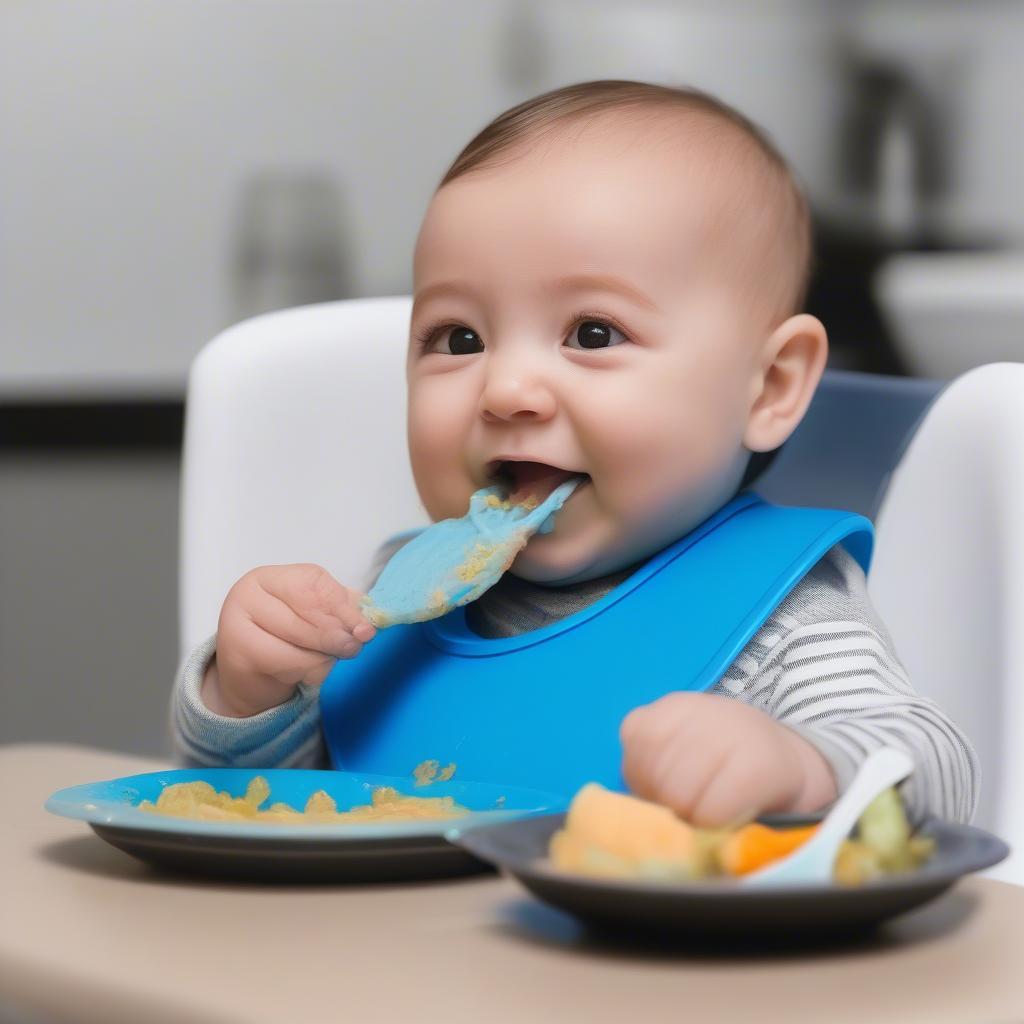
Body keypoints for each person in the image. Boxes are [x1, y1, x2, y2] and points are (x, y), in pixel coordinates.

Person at [172, 80, 978, 827]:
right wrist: (248, 692)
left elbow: (937, 769)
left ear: (767, 387)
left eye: (593, 334)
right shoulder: (394, 596)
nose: (507, 389)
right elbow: (262, 806)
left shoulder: (783, 617)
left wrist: (798, 768)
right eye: (459, 339)